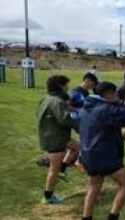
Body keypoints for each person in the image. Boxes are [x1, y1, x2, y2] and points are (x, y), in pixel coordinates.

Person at [80, 82, 125, 220]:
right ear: (108, 94)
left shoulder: (87, 106)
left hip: (88, 154)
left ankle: (86, 217)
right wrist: (122, 104)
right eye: (115, 94)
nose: (117, 96)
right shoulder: (105, 109)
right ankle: (113, 217)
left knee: (94, 186)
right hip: (104, 156)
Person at [37, 75, 79, 204]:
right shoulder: (58, 101)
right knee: (53, 169)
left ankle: (63, 169)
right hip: (55, 139)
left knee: (77, 147)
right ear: (61, 86)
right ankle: (47, 196)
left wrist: (72, 110)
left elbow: (61, 113)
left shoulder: (47, 98)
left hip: (54, 135)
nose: (68, 87)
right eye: (66, 84)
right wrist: (79, 122)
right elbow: (66, 119)